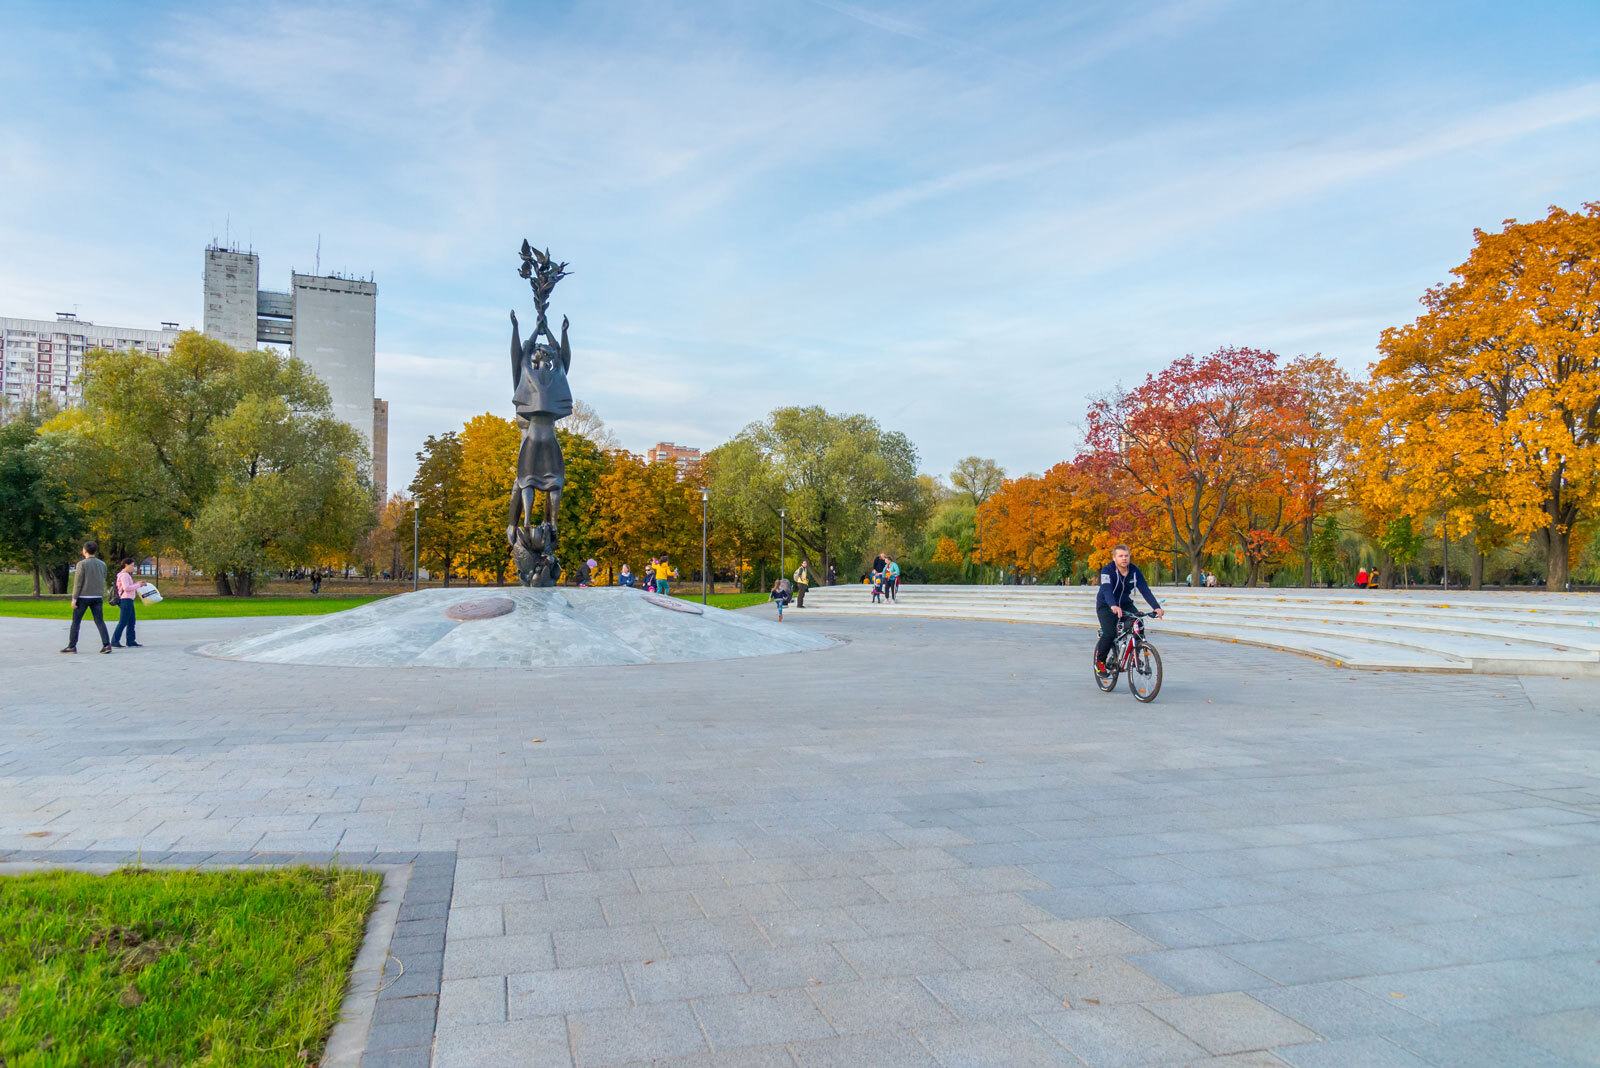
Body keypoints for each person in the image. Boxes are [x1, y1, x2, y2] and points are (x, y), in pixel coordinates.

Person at [1094, 543, 1164, 678]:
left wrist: (1156, 607)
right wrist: (1113, 605)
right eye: (1120, 556)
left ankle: (1135, 655)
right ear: (1114, 558)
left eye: (1126, 556)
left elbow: (1144, 589)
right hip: (1106, 605)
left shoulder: (1134, 571)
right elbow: (1106, 589)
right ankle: (1100, 662)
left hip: (1125, 603)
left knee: (1139, 623)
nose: (1124, 559)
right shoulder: (1107, 571)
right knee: (1109, 633)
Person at [62, 541, 112, 654]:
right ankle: (106, 645)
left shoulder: (82, 564)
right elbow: (103, 577)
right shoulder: (102, 564)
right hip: (97, 596)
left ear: (84, 551)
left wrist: (74, 598)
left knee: (76, 622)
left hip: (83, 596)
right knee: (99, 621)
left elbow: (78, 582)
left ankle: (72, 646)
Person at [110, 557, 142, 648]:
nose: (133, 567)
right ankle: (115, 641)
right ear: (126, 565)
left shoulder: (125, 575)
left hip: (129, 600)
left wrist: (138, 583)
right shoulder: (124, 575)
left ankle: (131, 640)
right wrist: (138, 585)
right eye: (132, 565)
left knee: (132, 621)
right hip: (125, 600)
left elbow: (129, 586)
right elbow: (126, 588)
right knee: (123, 621)